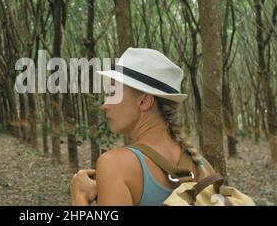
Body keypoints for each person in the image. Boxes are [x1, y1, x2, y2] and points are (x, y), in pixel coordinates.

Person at [70, 48, 214, 206]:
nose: (105, 105)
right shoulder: (203, 167)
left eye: (113, 93)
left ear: (144, 102)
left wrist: (80, 197)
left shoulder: (114, 165)